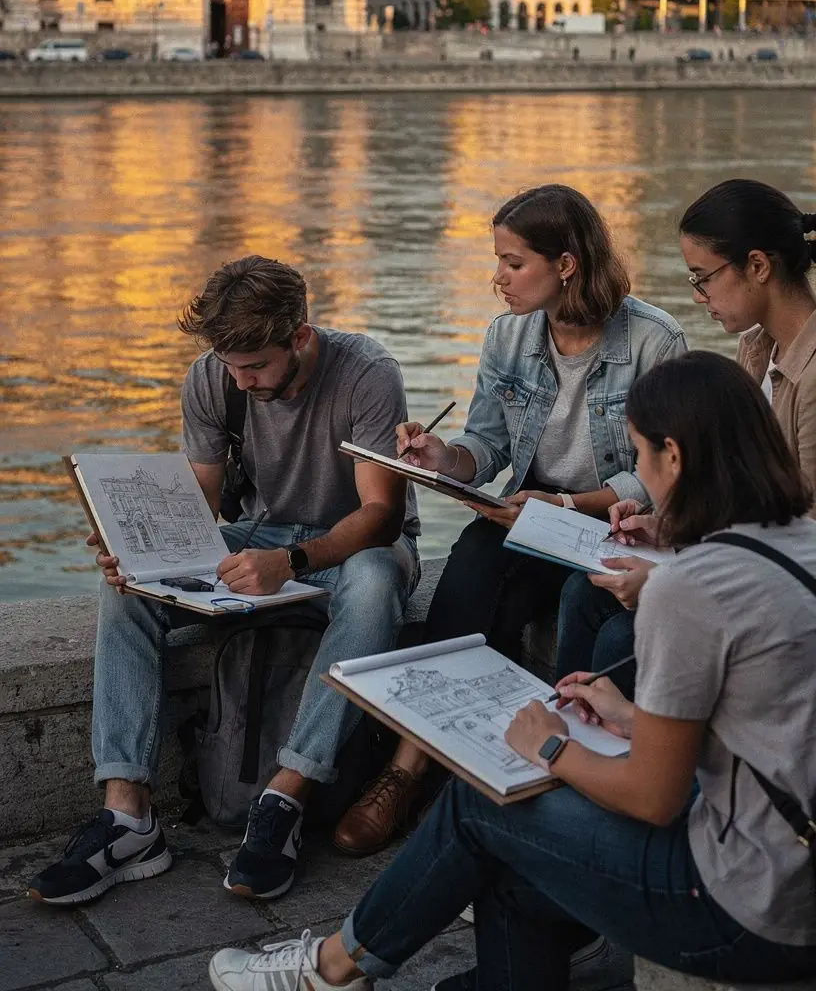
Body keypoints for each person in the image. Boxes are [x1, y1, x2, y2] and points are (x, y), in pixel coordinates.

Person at [208, 351, 816, 991]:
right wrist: (631, 717)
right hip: (791, 858)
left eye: (638, 455)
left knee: (482, 802)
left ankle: (329, 971)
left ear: (675, 457)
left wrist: (549, 746)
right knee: (511, 869)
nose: (637, 473)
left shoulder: (688, 590)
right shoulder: (798, 538)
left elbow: (652, 796)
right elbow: (769, 718)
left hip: (752, 909)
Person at [29, 256, 420, 906]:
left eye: (256, 367)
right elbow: (199, 507)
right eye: (231, 366)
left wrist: (293, 561)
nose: (240, 380)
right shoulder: (214, 375)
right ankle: (129, 816)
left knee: (377, 583)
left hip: (353, 544)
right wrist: (140, 545)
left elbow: (380, 516)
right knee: (127, 585)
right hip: (260, 536)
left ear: (299, 336)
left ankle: (283, 799)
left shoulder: (368, 374)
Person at [333, 184, 685, 856]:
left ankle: (552, 781)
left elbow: (660, 470)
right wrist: (446, 457)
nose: (498, 279)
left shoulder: (653, 339)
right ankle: (408, 771)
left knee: (582, 600)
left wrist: (572, 506)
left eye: (513, 262)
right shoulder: (508, 334)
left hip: (614, 520)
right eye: (497, 260)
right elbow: (487, 444)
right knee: (469, 578)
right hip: (526, 511)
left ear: (567, 264)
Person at [560, 177, 816, 688]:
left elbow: (804, 533)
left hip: (782, 590)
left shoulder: (812, 377)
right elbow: (747, 493)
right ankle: (568, 733)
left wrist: (675, 577)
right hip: (741, 557)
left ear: (758, 267)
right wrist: (674, 529)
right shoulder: (756, 349)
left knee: (618, 639)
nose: (698, 297)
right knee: (581, 590)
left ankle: (614, 751)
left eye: (703, 278)